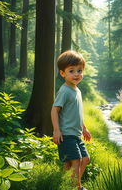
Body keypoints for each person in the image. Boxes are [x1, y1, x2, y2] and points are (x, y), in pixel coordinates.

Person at [51, 50, 91, 190]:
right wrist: (56, 130)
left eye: (79, 70)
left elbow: (77, 113)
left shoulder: (77, 90)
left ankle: (69, 184)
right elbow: (54, 110)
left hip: (76, 134)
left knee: (84, 159)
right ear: (63, 73)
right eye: (72, 71)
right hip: (66, 134)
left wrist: (84, 128)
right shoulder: (64, 90)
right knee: (76, 161)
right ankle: (77, 187)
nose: (76, 74)